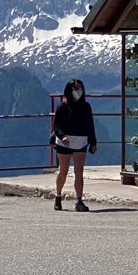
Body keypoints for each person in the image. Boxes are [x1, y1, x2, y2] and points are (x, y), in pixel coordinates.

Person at [51, 78, 97, 212]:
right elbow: (56, 125)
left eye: (80, 88)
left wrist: (93, 142)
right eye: (75, 89)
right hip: (64, 143)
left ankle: (79, 200)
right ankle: (58, 195)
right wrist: (62, 136)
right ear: (69, 90)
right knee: (63, 172)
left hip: (81, 142)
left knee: (79, 172)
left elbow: (90, 125)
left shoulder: (86, 107)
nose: (78, 92)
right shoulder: (62, 106)